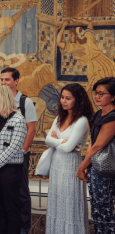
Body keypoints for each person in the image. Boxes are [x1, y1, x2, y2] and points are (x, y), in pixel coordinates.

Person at [44, 83, 93, 233]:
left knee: (70, 203)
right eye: (62, 98)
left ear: (77, 100)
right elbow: (48, 140)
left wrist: (57, 141)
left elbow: (67, 148)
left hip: (71, 165)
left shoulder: (82, 120)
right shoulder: (60, 117)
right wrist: (63, 142)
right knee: (57, 202)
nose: (63, 101)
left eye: (68, 98)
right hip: (56, 163)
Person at [0, 67, 37, 234]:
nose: (4, 82)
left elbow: (31, 128)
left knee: (21, 191)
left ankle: (23, 227)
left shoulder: (25, 102)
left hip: (19, 155)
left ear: (16, 80)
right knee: (4, 191)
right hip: (1, 156)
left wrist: (23, 151)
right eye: (2, 79)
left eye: (7, 79)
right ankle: (5, 226)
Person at [0, 85, 27, 234]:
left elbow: (14, 147)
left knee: (11, 208)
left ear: (2, 98)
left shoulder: (19, 119)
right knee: (0, 207)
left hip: (10, 169)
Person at [77, 77, 115, 233]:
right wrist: (87, 162)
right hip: (96, 167)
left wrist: (82, 166)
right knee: (97, 206)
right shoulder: (99, 114)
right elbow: (92, 142)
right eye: (95, 93)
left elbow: (99, 145)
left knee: (105, 208)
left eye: (102, 93)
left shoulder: (112, 117)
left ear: (113, 96)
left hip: (106, 169)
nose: (97, 96)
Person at [57, 19, 115, 110]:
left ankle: (99, 113)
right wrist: (76, 21)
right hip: (108, 64)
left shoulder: (77, 47)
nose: (70, 38)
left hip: (97, 68)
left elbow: (58, 42)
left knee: (97, 92)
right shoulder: (88, 39)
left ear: (76, 36)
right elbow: (90, 23)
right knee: (109, 90)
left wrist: (63, 26)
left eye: (71, 35)